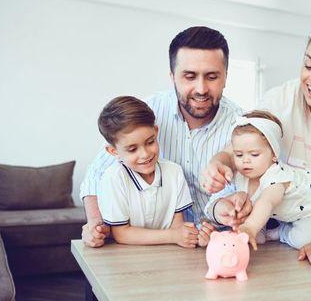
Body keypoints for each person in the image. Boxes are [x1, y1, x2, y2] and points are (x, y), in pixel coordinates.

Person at [201, 23, 311, 268]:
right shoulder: (280, 99)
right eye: (309, 65)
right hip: (269, 214)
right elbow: (240, 148)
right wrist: (219, 162)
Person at [80, 26, 252, 248]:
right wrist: (94, 222)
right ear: (172, 77)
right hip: (155, 243)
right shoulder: (149, 112)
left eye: (211, 77)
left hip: (219, 243)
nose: (201, 89)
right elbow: (96, 174)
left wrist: (233, 210)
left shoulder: (242, 124)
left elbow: (246, 190)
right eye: (189, 76)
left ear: (226, 77)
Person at [206, 110, 311, 251]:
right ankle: (267, 227)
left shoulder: (277, 175)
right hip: (278, 213)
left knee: (303, 241)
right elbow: (217, 201)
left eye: (254, 154)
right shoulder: (239, 175)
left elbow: (268, 201)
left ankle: (281, 232)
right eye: (238, 154)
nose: (245, 160)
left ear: (274, 154)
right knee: (258, 239)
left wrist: (250, 226)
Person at [96, 96, 208, 247]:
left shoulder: (174, 172)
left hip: (167, 256)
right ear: (113, 151)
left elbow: (177, 226)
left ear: (156, 132)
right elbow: (121, 233)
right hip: (127, 258)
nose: (145, 154)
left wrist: (192, 235)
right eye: (132, 149)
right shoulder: (114, 178)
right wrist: (173, 236)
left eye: (150, 142)